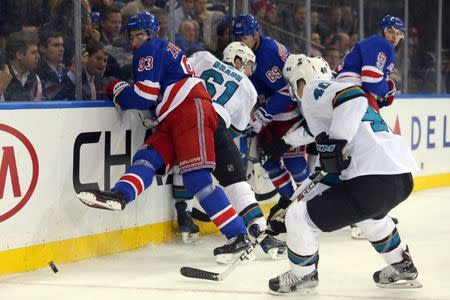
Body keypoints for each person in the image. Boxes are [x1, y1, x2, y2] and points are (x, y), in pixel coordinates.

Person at [76, 12, 251, 262]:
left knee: (197, 177)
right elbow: (156, 94)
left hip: (190, 109)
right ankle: (121, 194)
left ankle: (238, 236)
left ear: (151, 34)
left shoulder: (149, 49)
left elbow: (145, 97)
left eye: (140, 35)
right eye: (132, 36)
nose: (135, 41)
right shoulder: (163, 48)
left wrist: (117, 89)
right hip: (174, 114)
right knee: (148, 157)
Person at [266, 54, 422, 294]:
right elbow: (328, 174)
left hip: (371, 180)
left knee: (299, 218)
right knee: (370, 217)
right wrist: (290, 201)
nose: (294, 90)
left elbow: (353, 96)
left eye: (292, 83)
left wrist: (336, 143)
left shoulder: (315, 90)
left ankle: (303, 275)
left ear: (300, 79)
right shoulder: (331, 111)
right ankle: (401, 264)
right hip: (399, 179)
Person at [173, 42, 286, 258]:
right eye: (249, 65)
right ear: (237, 60)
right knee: (236, 182)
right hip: (216, 125)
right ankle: (261, 231)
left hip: (183, 119)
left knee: (186, 166)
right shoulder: (248, 88)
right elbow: (235, 129)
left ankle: (184, 212)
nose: (251, 71)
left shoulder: (204, 57)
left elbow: (178, 79)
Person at [232, 14, 309, 200]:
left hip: (288, 114)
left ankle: (311, 204)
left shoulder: (267, 54)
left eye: (244, 38)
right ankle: (288, 203)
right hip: (269, 116)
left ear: (256, 34)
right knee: (268, 162)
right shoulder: (247, 52)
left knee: (295, 162)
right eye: (237, 37)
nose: (240, 42)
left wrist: (261, 116)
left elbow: (286, 93)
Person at [335, 15, 406, 110]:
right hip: (354, 91)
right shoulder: (382, 43)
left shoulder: (372, 43)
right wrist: (387, 90)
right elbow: (370, 80)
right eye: (390, 31)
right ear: (381, 30)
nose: (394, 37)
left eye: (398, 33)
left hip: (342, 90)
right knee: (376, 124)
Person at [1, 31, 42, 101]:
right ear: (19, 55)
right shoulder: (1, 77)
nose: (38, 56)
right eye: (33, 52)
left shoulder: (35, 79)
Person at [35, 28, 75, 100]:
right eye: (56, 45)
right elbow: (53, 95)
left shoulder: (64, 70)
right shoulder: (38, 72)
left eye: (62, 45)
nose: (62, 49)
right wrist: (74, 71)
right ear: (43, 49)